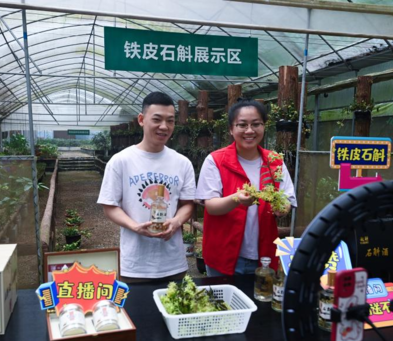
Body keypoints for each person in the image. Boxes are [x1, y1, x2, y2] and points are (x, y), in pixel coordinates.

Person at [97, 92, 196, 283]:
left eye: (170, 121)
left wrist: (175, 222)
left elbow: (188, 204)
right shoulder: (121, 161)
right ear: (141, 120)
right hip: (134, 266)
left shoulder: (182, 163)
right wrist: (135, 227)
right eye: (157, 119)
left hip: (173, 264)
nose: (164, 127)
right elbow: (109, 206)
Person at [196, 99, 297, 276]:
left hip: (263, 256)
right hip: (223, 254)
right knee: (223, 302)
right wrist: (236, 199)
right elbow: (211, 206)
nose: (249, 131)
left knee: (261, 301)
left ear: (264, 126)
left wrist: (282, 208)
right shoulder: (216, 161)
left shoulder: (274, 161)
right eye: (242, 125)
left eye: (256, 124)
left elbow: (287, 199)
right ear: (231, 129)